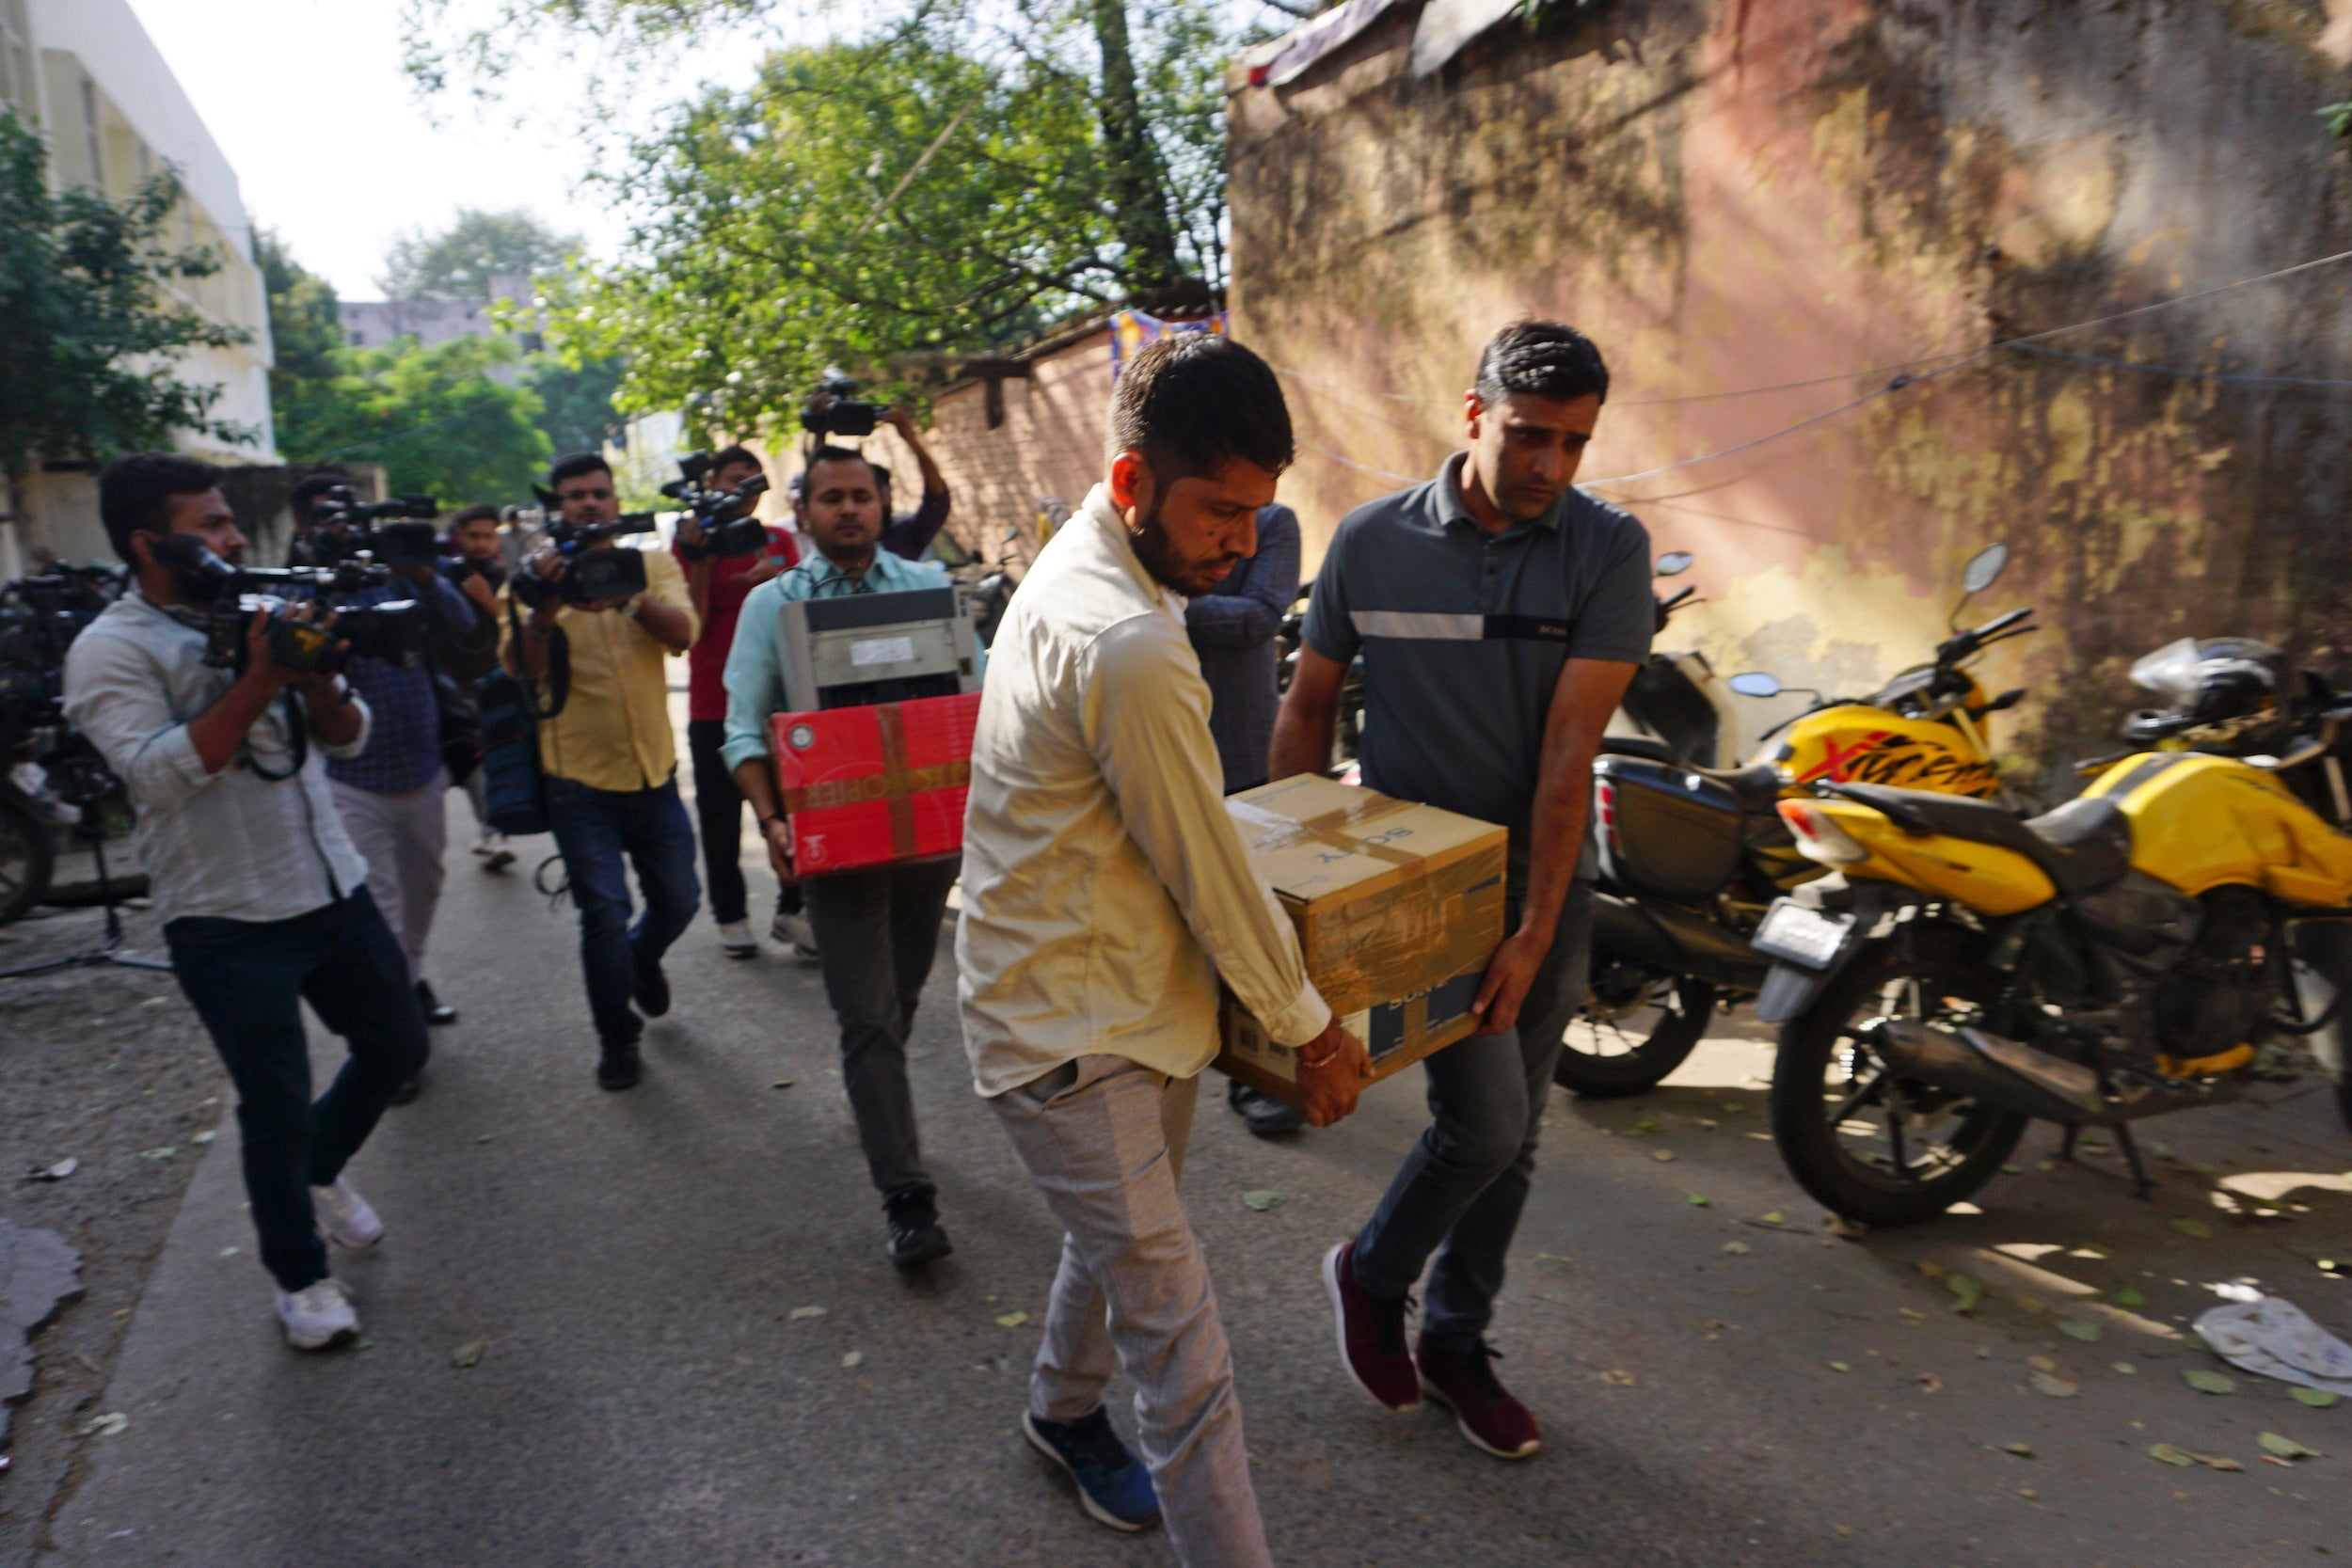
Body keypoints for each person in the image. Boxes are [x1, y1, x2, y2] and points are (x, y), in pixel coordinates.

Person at [957, 334, 1369, 1560]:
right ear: (1134, 482)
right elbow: (1212, 870)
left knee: (1124, 1238)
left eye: (1258, 513)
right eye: (1218, 510)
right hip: (1074, 1037)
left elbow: (1179, 855)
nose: (1242, 541)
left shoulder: (1101, 574)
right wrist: (1312, 1032)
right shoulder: (1131, 642)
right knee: (1186, 1355)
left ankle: (1057, 1407)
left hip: (1121, 997)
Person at [1272, 320, 1653, 1462]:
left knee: (1519, 1134)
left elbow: (1564, 754)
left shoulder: (1606, 547)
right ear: (1473, 412)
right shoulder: (1371, 541)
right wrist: (1285, 885)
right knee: (1483, 1120)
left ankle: (1457, 1339)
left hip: (1543, 888)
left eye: (1573, 444)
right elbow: (1305, 707)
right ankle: (1372, 1269)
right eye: (1530, 435)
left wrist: (1536, 925)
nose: (1549, 466)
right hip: (1417, 890)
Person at [62, 452, 428, 1351]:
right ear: (152, 544)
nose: (234, 539)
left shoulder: (262, 609)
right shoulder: (111, 649)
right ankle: (301, 1278)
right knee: (273, 1097)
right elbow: (153, 777)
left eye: (232, 521)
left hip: (327, 881)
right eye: (212, 526)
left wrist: (310, 674)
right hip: (224, 914)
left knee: (397, 1043)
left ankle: (317, 1167)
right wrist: (260, 677)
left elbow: (349, 737)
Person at [723, 445, 969, 1266]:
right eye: (830, 497)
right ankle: (907, 1196)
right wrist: (771, 820)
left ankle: (876, 1102)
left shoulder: (927, 591)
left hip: (926, 847)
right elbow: (740, 727)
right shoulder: (770, 605)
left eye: (860, 495)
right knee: (865, 1018)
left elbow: (964, 706)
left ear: (882, 503)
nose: (847, 509)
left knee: (894, 1003)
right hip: (834, 847)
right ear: (805, 513)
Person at [502, 452, 701, 1091]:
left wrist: (630, 601)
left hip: (654, 771)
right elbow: (519, 668)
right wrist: (545, 606)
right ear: (556, 506)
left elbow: (685, 632)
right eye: (574, 496)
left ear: (617, 502)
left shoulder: (652, 564)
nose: (588, 504)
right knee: (603, 912)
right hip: (577, 780)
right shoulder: (532, 579)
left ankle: (642, 958)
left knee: (680, 898)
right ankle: (617, 1036)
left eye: (598, 493)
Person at [324, 526, 495, 1079]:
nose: (339, 531)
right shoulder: (305, 591)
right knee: (382, 907)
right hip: (352, 776)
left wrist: (424, 576)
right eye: (325, 520)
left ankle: (410, 982)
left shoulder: (401, 578)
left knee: (424, 887)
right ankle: (397, 1045)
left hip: (422, 768)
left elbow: (465, 629)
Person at [1185, 501, 1307, 1139]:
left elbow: (1259, 616)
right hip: (1161, 743)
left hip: (1239, 748)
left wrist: (1163, 609)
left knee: (1254, 917)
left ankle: (1260, 1072)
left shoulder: (1275, 522)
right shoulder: (1149, 516)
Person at [672, 446, 802, 960]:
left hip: (776, 701)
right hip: (713, 703)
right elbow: (691, 623)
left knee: (791, 811)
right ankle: (731, 917)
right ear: (713, 484)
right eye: (733, 480)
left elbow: (798, 611)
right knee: (720, 820)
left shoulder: (779, 539)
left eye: (753, 481)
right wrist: (701, 558)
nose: (743, 491)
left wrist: (773, 584)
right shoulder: (690, 543)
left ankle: (794, 910)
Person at [442, 504, 516, 872]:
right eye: (473, 536)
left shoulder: (504, 576)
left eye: (488, 536)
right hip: (455, 683)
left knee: (491, 755)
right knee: (471, 757)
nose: (481, 544)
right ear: (459, 536)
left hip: (496, 676)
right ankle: (491, 830)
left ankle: (494, 828)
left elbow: (515, 625)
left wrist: (486, 601)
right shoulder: (444, 576)